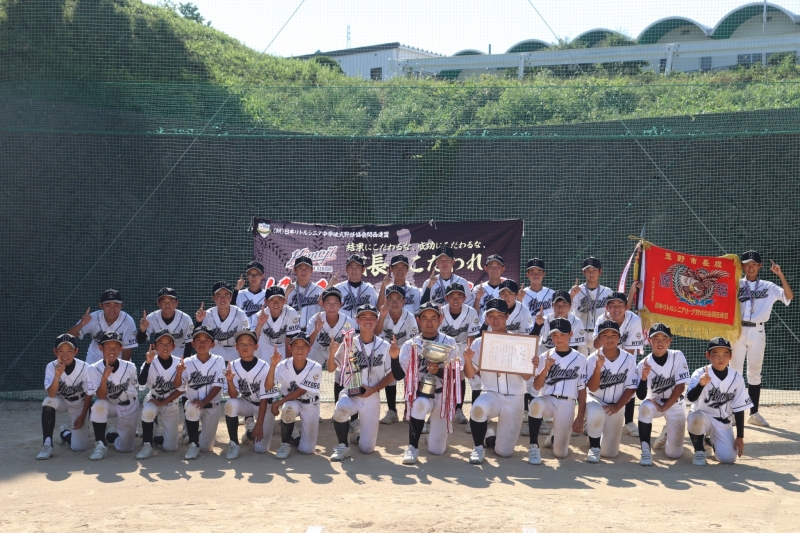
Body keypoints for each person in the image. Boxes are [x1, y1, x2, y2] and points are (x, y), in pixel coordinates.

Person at [463, 299, 533, 464]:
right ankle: (478, 448)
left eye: (500, 315)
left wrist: (530, 365)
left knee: (504, 452)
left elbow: (527, 377)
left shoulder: (521, 342)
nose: (495, 320)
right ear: (486, 318)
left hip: (515, 397)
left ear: (507, 316)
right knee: (478, 408)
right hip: (491, 394)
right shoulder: (479, 343)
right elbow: (469, 374)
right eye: (491, 316)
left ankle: (489, 438)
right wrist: (468, 361)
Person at [392, 301, 460, 464]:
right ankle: (412, 447)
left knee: (437, 450)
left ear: (440, 319)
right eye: (425, 318)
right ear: (418, 320)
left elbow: (456, 376)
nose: (429, 322)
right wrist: (394, 358)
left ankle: (432, 438)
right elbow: (398, 375)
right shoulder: (410, 345)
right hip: (421, 394)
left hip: (442, 396)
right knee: (419, 404)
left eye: (433, 318)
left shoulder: (450, 342)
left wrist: (439, 371)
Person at [732, 251, 793, 427]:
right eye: (747, 264)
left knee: (755, 373)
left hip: (758, 331)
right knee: (735, 372)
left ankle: (754, 413)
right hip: (737, 330)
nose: (750, 267)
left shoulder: (768, 286)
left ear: (760, 266)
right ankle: (734, 412)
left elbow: (789, 296)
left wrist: (780, 274)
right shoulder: (735, 284)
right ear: (742, 266)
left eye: (754, 264)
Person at [327, 304, 394, 461]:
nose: (368, 321)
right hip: (351, 393)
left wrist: (373, 389)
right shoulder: (349, 342)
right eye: (363, 317)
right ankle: (342, 446)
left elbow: (392, 375)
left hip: (372, 397)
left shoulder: (384, 346)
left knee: (367, 448)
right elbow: (331, 368)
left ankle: (357, 437)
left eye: (371, 317)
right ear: (357, 320)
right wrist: (331, 353)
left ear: (376, 321)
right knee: (341, 408)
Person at [527, 318, 588, 465]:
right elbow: (536, 387)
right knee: (535, 404)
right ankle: (533, 446)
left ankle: (554, 438)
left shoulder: (580, 359)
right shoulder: (545, 356)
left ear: (570, 334)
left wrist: (580, 417)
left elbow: (582, 390)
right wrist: (545, 369)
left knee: (560, 453)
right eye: (555, 335)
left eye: (562, 335)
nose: (558, 338)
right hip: (548, 399)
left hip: (567, 403)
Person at [686, 337, 752, 466]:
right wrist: (701, 384)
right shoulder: (700, 373)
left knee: (728, 459)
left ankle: (708, 441)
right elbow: (690, 398)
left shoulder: (737, 378)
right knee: (696, 418)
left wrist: (740, 436)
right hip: (703, 417)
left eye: (725, 354)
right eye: (716, 354)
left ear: (731, 356)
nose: (721, 358)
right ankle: (699, 451)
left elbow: (739, 408)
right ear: (708, 355)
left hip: (723, 422)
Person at [528, 290, 585, 436]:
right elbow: (531, 340)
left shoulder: (576, 322)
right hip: (544, 354)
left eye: (564, 305)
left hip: (565, 356)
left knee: (569, 384)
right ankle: (537, 421)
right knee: (532, 386)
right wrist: (537, 326)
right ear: (552, 306)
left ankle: (565, 423)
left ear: (570, 306)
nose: (560, 308)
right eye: (557, 305)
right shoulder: (543, 319)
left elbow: (573, 351)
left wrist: (561, 365)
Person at [584, 321, 638, 463]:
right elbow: (592, 388)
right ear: (599, 338)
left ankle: (595, 434)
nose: (609, 338)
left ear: (619, 338)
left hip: (617, 403)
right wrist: (597, 368)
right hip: (595, 399)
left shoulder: (629, 358)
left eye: (613, 335)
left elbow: (632, 387)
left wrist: (617, 406)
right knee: (596, 413)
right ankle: (594, 447)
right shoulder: (592, 358)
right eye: (605, 335)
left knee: (610, 453)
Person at [636, 323, 690, 467]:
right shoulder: (643, 364)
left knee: (674, 454)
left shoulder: (677, 356)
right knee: (644, 407)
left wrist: (665, 407)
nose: (660, 343)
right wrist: (643, 378)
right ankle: (645, 450)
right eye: (656, 339)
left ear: (670, 341)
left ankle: (667, 433)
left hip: (675, 403)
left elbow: (680, 386)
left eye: (664, 339)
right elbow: (640, 396)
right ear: (649, 341)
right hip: (656, 402)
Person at [592, 291, 645, 437]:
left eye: (620, 305)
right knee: (598, 385)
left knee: (629, 381)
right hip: (604, 356)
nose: (616, 309)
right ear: (607, 308)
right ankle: (591, 418)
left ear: (626, 307)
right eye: (612, 305)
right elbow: (596, 345)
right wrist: (605, 325)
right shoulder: (602, 318)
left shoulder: (634, 320)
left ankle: (629, 422)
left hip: (626, 357)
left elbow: (630, 351)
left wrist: (621, 366)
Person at [222, 329, 277, 460]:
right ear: (236, 347)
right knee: (230, 404)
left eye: (249, 343)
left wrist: (259, 424)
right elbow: (233, 396)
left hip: (266, 406)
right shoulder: (232, 366)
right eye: (241, 343)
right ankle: (234, 444)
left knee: (261, 449)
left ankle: (249, 432)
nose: (245, 346)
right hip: (247, 402)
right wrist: (229, 381)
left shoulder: (264, 366)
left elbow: (264, 398)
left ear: (256, 346)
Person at [267, 333, 323, 460]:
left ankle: (294, 435)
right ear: (290, 348)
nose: (300, 349)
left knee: (307, 450)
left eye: (304, 346)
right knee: (289, 408)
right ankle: (285, 444)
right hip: (292, 402)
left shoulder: (315, 367)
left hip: (310, 404)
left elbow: (301, 391)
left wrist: (277, 403)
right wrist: (273, 365)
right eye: (296, 346)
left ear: (309, 349)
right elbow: (268, 386)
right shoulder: (282, 365)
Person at [175, 325, 227, 460]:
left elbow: (218, 385)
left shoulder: (219, 360)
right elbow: (178, 386)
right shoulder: (187, 362)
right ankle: (193, 443)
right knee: (192, 408)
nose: (202, 343)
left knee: (206, 448)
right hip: (194, 404)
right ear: (193, 344)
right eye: (198, 340)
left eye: (206, 340)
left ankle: (195, 434)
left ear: (213, 344)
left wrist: (204, 401)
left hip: (212, 406)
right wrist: (179, 373)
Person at [37, 334, 92, 460]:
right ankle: (47, 445)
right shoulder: (51, 366)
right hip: (62, 401)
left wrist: (83, 416)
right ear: (55, 351)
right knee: (48, 401)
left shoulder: (85, 367)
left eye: (69, 351)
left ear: (76, 351)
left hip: (79, 403)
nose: (65, 354)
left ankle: (64, 433)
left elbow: (89, 394)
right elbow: (51, 394)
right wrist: (57, 375)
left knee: (78, 447)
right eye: (61, 351)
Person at [87, 331, 140, 460]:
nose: (112, 350)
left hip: (129, 405)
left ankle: (110, 434)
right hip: (110, 404)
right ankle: (100, 443)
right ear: (101, 348)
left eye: (116, 347)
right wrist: (104, 378)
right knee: (98, 406)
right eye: (108, 347)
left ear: (121, 348)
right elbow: (100, 396)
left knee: (125, 448)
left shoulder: (130, 367)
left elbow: (136, 387)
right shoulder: (93, 368)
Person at [135, 330, 184, 460]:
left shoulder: (179, 363)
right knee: (148, 411)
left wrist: (163, 402)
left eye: (168, 343)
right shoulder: (149, 362)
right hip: (153, 398)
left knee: (170, 447)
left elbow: (181, 389)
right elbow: (141, 383)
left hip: (171, 403)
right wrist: (148, 363)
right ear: (155, 346)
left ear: (174, 346)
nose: (165, 346)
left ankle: (157, 435)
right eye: (161, 343)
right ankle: (147, 445)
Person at [439, 283, 481, 430]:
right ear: (446, 298)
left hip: (464, 347)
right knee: (442, 377)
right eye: (452, 296)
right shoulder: (440, 311)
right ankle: (440, 409)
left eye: (459, 296)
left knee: (464, 377)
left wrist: (469, 355)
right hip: (445, 347)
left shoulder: (471, 312)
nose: (455, 299)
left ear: (464, 298)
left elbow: (471, 336)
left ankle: (459, 410)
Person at [376, 284, 418, 425]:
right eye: (391, 299)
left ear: (404, 301)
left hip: (406, 352)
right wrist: (382, 317)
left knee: (409, 378)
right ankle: (392, 411)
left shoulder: (409, 318)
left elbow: (413, 343)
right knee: (390, 377)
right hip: (387, 351)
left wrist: (401, 355)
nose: (394, 302)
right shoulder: (383, 314)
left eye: (398, 299)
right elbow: (376, 333)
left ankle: (408, 409)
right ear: (386, 301)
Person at [67, 289, 138, 364]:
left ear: (121, 305)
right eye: (108, 305)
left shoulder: (128, 321)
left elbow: (127, 349)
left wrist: (123, 367)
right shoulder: (93, 318)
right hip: (96, 356)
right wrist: (81, 324)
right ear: (101, 305)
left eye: (116, 305)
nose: (112, 309)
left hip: (118, 356)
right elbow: (69, 335)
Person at [197, 281, 250, 363]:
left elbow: (246, 336)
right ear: (213, 298)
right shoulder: (208, 315)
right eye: (219, 295)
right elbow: (199, 338)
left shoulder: (240, 314)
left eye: (226, 295)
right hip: (215, 349)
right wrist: (199, 322)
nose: (222, 298)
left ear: (231, 297)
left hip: (235, 350)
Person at [569, 257, 612, 357]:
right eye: (588, 270)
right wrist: (571, 296)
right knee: (579, 364)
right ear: (583, 272)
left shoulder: (608, 292)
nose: (591, 273)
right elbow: (566, 311)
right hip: (580, 334)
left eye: (594, 270)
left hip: (599, 334)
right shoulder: (576, 291)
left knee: (598, 364)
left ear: (600, 272)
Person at [137, 288, 194, 358]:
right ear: (158, 303)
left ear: (177, 303)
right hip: (159, 357)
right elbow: (140, 341)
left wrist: (185, 361)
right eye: (163, 301)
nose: (167, 304)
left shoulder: (185, 319)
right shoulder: (151, 318)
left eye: (171, 301)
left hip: (179, 356)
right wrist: (142, 331)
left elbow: (189, 344)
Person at [254, 285, 301, 361]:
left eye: (279, 300)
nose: (276, 303)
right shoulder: (260, 315)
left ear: (284, 301)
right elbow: (253, 340)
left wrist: (288, 362)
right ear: (266, 302)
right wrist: (259, 324)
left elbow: (289, 340)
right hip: (265, 345)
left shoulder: (291, 313)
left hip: (284, 345)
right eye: (272, 300)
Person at [333, 254, 378, 324]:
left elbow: (376, 310)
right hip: (343, 329)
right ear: (346, 269)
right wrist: (329, 285)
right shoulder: (337, 288)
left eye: (357, 267)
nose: (354, 270)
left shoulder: (370, 289)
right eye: (351, 267)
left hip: (364, 329)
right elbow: (322, 303)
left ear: (363, 269)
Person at [285, 256, 323, 332]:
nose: (303, 271)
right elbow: (281, 311)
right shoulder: (288, 290)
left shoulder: (319, 291)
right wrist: (285, 294)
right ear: (294, 270)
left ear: (312, 270)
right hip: (293, 331)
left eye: (307, 268)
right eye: (300, 268)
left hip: (313, 331)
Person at [232, 261, 267, 325]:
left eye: (257, 274)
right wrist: (236, 290)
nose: (253, 277)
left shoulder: (267, 295)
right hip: (243, 329)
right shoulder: (239, 294)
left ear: (262, 276)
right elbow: (230, 311)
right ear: (247, 276)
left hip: (262, 330)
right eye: (250, 274)